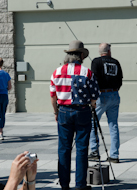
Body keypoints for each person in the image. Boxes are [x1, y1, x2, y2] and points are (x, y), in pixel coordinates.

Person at [50, 40, 100, 190]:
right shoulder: (87, 72)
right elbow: (95, 94)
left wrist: (56, 112)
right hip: (82, 111)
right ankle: (80, 184)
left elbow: (53, 96)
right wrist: (91, 103)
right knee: (82, 149)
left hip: (64, 111)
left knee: (64, 149)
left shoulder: (57, 72)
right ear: (81, 56)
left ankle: (64, 184)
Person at [88, 43, 123, 163]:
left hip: (101, 95)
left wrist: (93, 96)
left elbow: (94, 79)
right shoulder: (116, 62)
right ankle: (114, 155)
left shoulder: (96, 62)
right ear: (109, 51)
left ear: (100, 52)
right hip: (114, 94)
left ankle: (94, 151)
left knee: (93, 123)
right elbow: (120, 79)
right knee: (113, 125)